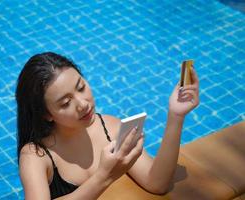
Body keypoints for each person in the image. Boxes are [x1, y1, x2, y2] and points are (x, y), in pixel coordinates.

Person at [16, 52, 200, 200]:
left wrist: (176, 116)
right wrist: (104, 176)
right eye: (65, 103)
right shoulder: (35, 156)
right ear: (47, 114)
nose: (82, 104)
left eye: (81, 87)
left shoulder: (110, 128)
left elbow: (156, 183)